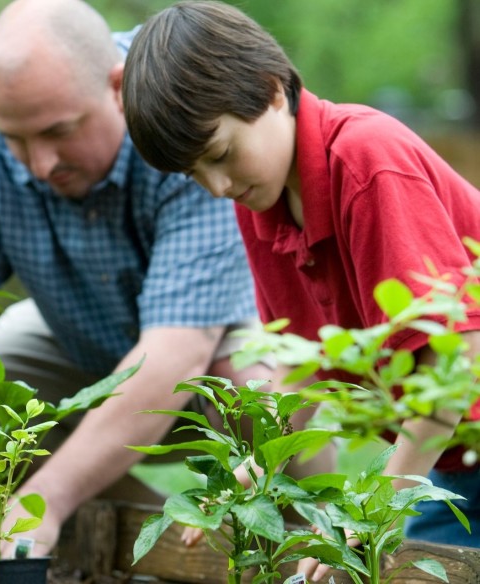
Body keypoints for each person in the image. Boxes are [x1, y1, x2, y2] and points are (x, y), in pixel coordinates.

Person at [0, 0, 284, 563]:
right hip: (72, 329)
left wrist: (41, 502)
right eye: (16, 140)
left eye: (58, 132)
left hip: (213, 333)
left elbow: (176, 355)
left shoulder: (180, 116)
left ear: (117, 87)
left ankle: (297, 544)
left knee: (261, 398)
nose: (39, 163)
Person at [121, 0, 480, 577]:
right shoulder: (260, 202)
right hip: (455, 463)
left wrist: (367, 513)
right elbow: (299, 370)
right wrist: (258, 470)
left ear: (270, 91)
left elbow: (457, 364)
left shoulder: (366, 162)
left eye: (220, 155)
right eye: (194, 174)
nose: (216, 186)